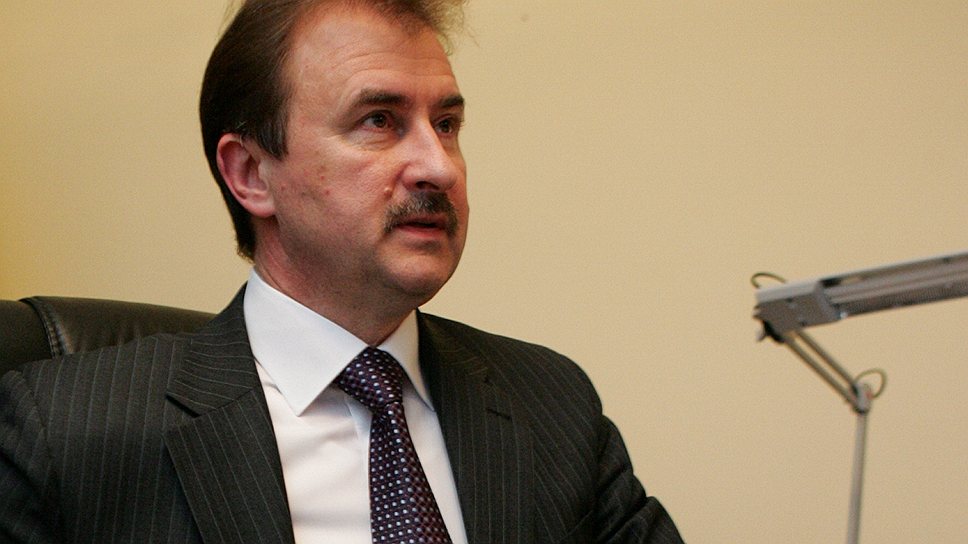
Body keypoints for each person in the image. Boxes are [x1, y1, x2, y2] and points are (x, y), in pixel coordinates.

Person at [0, 0, 684, 542]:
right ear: (251, 173)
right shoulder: (64, 433)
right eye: (379, 120)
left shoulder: (551, 405)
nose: (439, 166)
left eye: (447, 125)